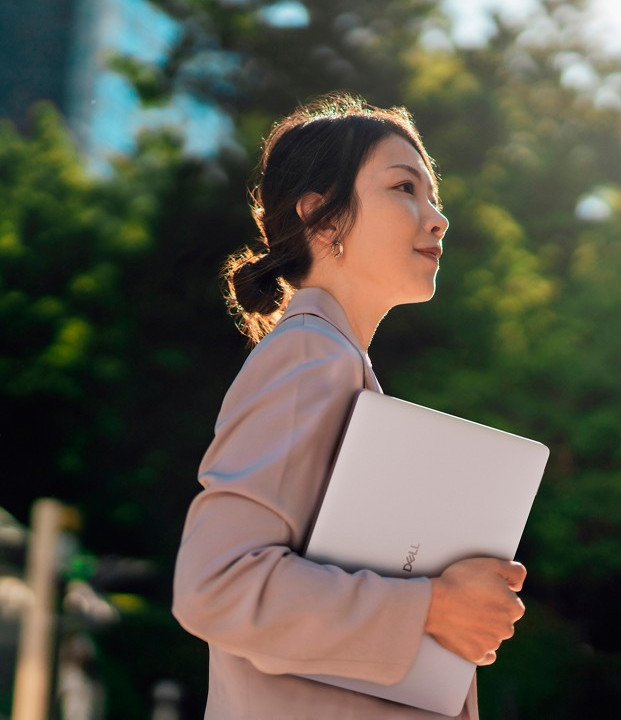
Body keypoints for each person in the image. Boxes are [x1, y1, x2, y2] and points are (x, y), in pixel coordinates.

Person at [172, 93, 527, 719]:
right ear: (323, 219)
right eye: (404, 189)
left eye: (433, 195)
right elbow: (217, 586)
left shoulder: (332, 364)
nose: (437, 217)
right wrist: (435, 607)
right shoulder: (309, 358)